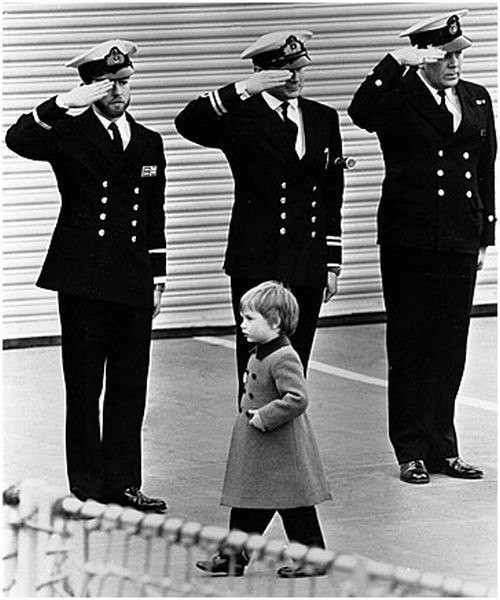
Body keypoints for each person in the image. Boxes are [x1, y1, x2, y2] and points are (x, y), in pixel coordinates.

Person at [5, 39, 168, 511]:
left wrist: (157, 275)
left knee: (129, 385)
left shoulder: (148, 140)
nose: (118, 90)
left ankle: (123, 483)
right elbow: (18, 139)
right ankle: (87, 487)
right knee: (83, 386)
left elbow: (153, 214)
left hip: (133, 278)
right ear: (89, 86)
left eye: (123, 82)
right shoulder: (69, 132)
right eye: (107, 83)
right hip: (82, 278)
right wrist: (60, 106)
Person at [348, 11, 496, 484]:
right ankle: (410, 448)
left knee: (450, 345)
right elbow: (360, 113)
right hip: (409, 238)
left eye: (458, 54)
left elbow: (485, 168)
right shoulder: (398, 96)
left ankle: (443, 447)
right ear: (423, 58)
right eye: (445, 55)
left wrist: (485, 232)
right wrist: (394, 62)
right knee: (410, 344)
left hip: (458, 235)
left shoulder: (476, 97)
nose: (454, 63)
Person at [175, 30, 345, 405]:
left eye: (301, 69)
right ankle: (252, 445)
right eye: (287, 71)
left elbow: (333, 190)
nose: (297, 78)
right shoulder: (240, 117)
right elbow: (187, 122)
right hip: (257, 256)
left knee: (296, 362)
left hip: (307, 256)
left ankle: (288, 453)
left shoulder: (322, 118)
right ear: (264, 73)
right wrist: (243, 89)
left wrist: (331, 261)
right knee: (254, 363)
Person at [196, 281, 331, 578]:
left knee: (294, 507)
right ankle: (233, 556)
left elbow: (298, 398)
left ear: (275, 322)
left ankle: (313, 558)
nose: (241, 323)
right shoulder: (260, 352)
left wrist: (265, 416)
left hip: (280, 446)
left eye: (249, 318)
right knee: (247, 500)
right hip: (262, 446)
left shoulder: (283, 356)